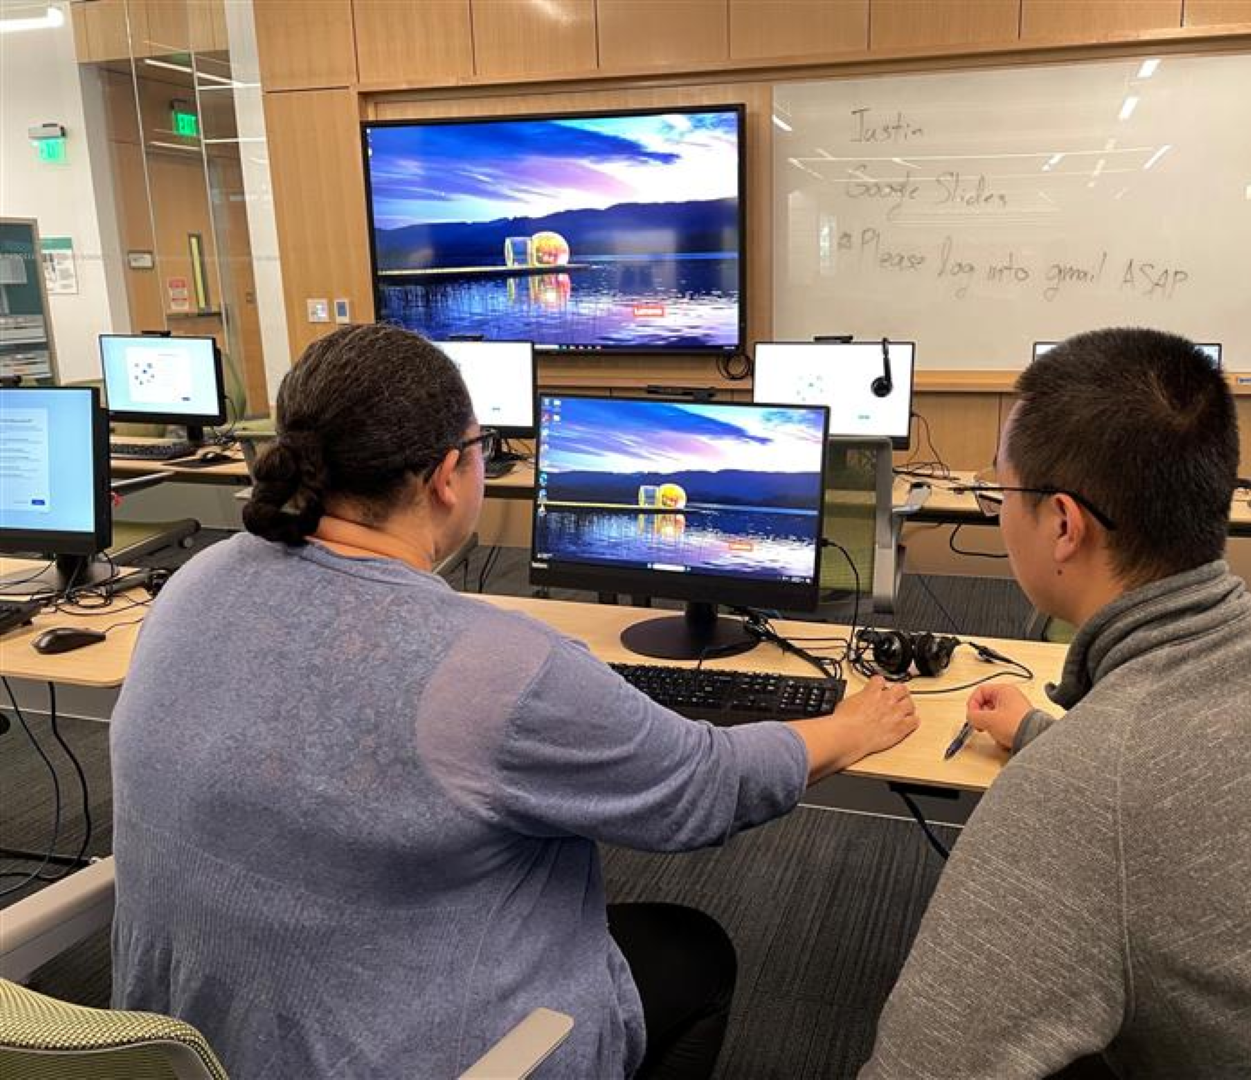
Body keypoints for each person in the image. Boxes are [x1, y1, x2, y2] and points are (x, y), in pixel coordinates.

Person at [109, 323, 918, 1080]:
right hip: (387, 1057)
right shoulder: (497, 669)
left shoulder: (196, 581)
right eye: (480, 446)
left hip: (182, 1048)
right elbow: (705, 786)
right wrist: (851, 727)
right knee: (693, 947)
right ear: (446, 475)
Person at [863, 328, 1251, 1078]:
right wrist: (1039, 732)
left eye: (1000, 493)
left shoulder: (1072, 799)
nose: (996, 511)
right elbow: (1215, 790)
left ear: (1063, 525)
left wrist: (1063, 768)